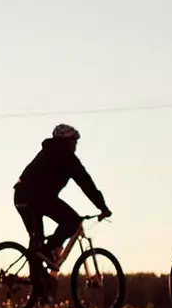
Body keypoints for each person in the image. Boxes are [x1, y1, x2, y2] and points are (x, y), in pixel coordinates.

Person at [13, 123, 111, 287]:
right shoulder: (66, 157)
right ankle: (46, 258)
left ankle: (40, 283)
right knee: (71, 222)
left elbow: (85, 182)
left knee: (37, 243)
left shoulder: (52, 152)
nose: (75, 145)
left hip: (28, 197)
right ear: (66, 141)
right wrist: (102, 207)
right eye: (74, 141)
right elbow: (86, 183)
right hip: (33, 198)